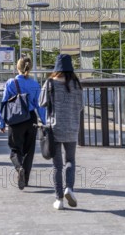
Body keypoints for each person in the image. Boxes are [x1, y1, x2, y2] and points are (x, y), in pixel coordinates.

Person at [39, 53, 83, 210]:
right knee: (70, 161)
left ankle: (59, 200)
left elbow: (41, 102)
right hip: (72, 128)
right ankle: (69, 188)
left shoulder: (50, 83)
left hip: (54, 129)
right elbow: (81, 106)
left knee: (57, 165)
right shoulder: (77, 84)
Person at [0, 56, 46, 190]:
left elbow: (4, 103)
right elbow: (39, 106)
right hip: (31, 118)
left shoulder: (10, 83)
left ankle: (19, 168)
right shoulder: (35, 84)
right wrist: (45, 121)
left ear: (17, 67)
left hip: (15, 118)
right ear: (29, 68)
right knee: (29, 151)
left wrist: (1, 122)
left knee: (15, 148)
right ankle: (26, 178)